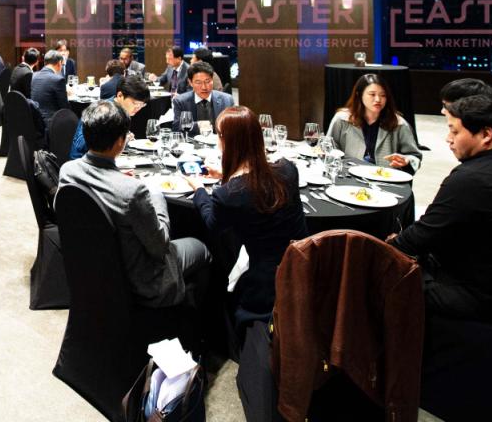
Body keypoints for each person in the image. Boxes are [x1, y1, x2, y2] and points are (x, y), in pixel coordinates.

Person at [388, 95, 492, 321]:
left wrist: (387, 244)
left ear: (486, 135)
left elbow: (415, 240)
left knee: (374, 270)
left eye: (455, 131)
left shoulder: (473, 179)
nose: (448, 139)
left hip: (473, 294)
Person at [58, 101, 209, 308]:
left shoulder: (68, 170)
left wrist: (118, 176)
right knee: (201, 247)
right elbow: (160, 246)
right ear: (121, 141)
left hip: (90, 270)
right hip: (140, 282)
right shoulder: (133, 192)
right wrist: (155, 194)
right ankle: (192, 321)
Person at [184, 106, 306, 322]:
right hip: (304, 267)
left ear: (226, 141)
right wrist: (227, 174)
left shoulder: (229, 194)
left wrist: (199, 190)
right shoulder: (288, 169)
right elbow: (259, 182)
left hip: (264, 285)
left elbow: (212, 224)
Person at [326, 73, 422, 173]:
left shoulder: (398, 124)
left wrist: (406, 161)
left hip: (385, 177)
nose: (378, 99)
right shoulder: (342, 119)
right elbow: (329, 148)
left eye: (383, 95)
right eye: (372, 94)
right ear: (359, 94)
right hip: (348, 175)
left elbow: (415, 156)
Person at [70, 73, 150, 159]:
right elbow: (80, 145)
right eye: (135, 103)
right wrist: (116, 139)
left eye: (142, 105)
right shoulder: (103, 112)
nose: (138, 108)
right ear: (120, 95)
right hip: (86, 161)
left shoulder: (122, 110)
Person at [171, 62, 235, 133]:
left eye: (207, 81)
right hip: (192, 140)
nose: (204, 87)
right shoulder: (181, 101)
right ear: (190, 82)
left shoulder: (227, 100)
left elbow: (233, 126)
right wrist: (199, 125)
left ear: (212, 80)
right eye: (198, 82)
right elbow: (176, 128)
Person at [30, 50, 69, 126]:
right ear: (59, 63)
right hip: (52, 122)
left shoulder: (33, 75)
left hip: (35, 120)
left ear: (45, 62)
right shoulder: (58, 79)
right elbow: (64, 107)